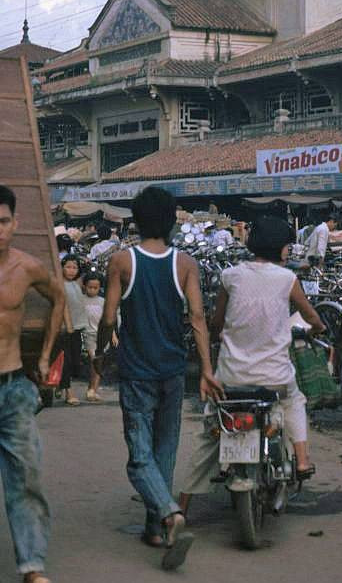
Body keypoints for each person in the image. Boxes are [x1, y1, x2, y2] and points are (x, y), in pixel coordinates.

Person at [95, 185, 222, 572]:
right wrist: (206, 369)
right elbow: (197, 318)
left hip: (137, 371)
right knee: (164, 450)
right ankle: (156, 530)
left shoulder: (122, 261)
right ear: (170, 222)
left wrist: (100, 351)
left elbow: (109, 317)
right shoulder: (185, 264)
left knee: (139, 458)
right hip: (173, 370)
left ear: (136, 220)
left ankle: (168, 513)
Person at [178, 216, 325, 516]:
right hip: (274, 378)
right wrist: (317, 330)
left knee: (210, 432)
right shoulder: (287, 279)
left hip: (231, 377)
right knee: (294, 399)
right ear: (281, 248)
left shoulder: (230, 276)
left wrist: (220, 334)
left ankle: (180, 507)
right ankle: (302, 460)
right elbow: (313, 318)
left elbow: (217, 322)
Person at [0, 184, 65, 583]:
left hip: (13, 389)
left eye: (3, 221)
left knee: (26, 480)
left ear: (15, 223)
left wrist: (44, 355)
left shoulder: (27, 267)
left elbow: (58, 298)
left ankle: (32, 566)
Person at [59, 255, 87, 406]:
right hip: (64, 329)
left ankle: (59, 385)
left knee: (75, 360)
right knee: (66, 360)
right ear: (62, 267)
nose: (71, 270)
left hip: (77, 328)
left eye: (74, 267)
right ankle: (68, 392)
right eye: (68, 267)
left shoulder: (76, 284)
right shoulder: (59, 284)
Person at [83, 272, 106, 402]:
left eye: (95, 288)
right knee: (94, 360)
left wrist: (113, 335)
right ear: (85, 286)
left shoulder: (102, 301)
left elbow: (107, 320)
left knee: (98, 361)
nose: (92, 290)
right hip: (87, 334)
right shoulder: (81, 300)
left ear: (99, 288)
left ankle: (93, 389)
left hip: (101, 335)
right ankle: (91, 389)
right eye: (90, 287)